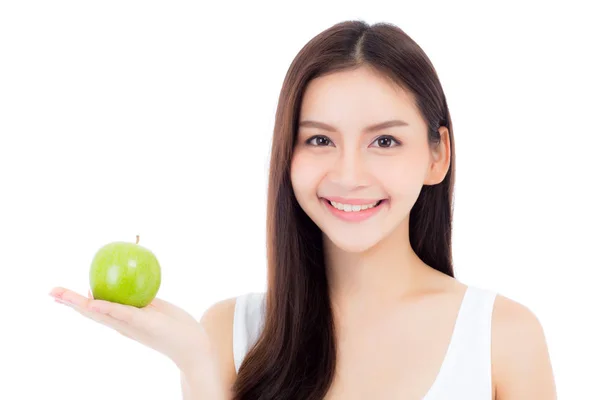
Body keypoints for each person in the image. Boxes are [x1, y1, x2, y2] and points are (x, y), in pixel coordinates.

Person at [49, 20, 557, 399]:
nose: (349, 174)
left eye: (384, 140)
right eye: (319, 139)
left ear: (436, 155)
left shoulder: (501, 337)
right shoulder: (230, 331)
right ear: (285, 156)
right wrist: (198, 366)